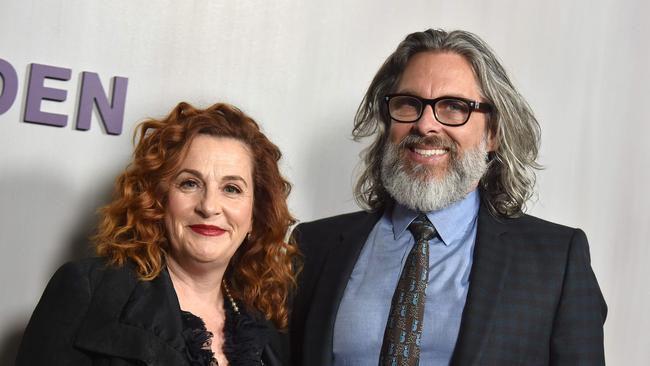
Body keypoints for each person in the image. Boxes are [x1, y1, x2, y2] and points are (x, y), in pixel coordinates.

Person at [290, 29, 606, 366]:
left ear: (493, 132)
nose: (426, 125)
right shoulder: (314, 246)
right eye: (409, 104)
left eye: (454, 107)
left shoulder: (556, 262)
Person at [16, 102, 298, 366]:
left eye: (232, 189)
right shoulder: (88, 292)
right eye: (190, 183)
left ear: (254, 214)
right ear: (159, 200)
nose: (209, 206)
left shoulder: (266, 328)